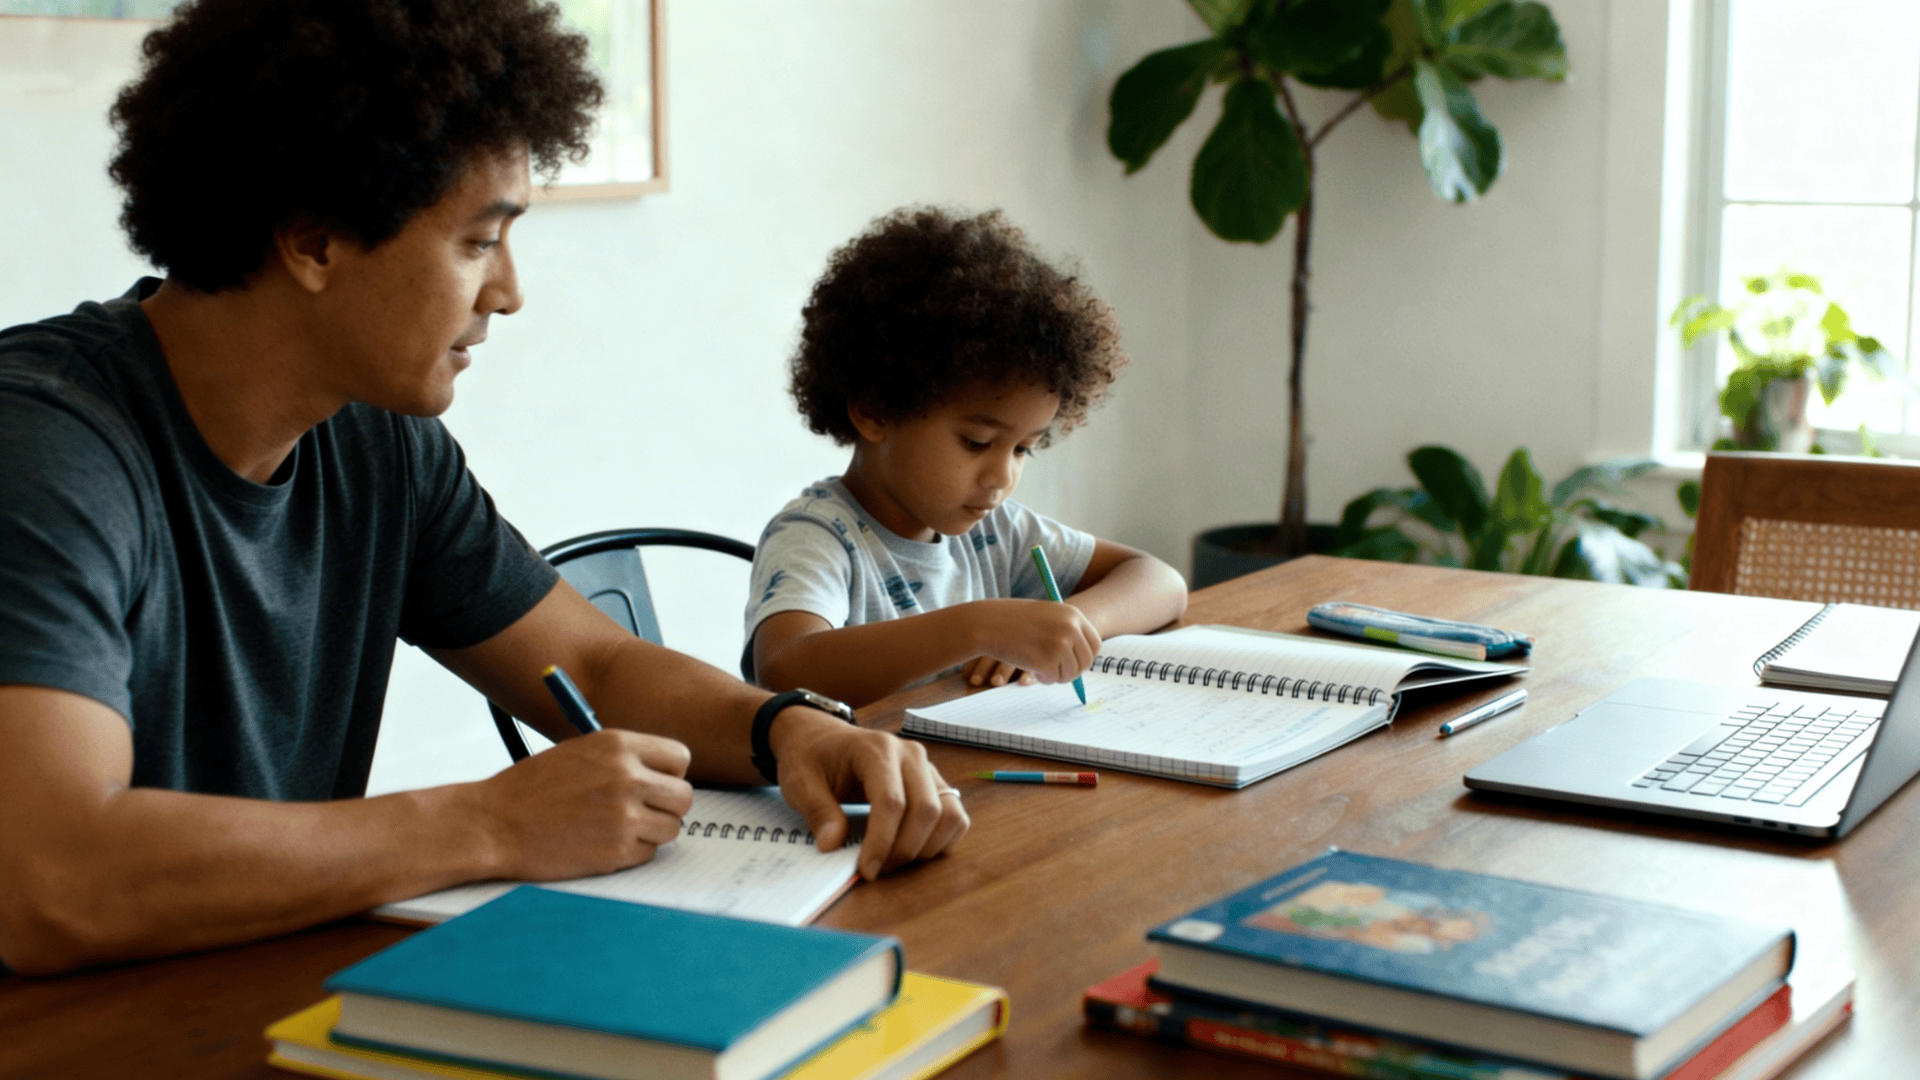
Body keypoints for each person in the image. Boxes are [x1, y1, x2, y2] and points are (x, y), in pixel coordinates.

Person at [0, 0, 965, 978]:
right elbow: (47, 878)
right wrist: (487, 824)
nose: (509, 291)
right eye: (477, 242)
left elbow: (592, 666)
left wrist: (788, 728)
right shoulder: (45, 450)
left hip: (252, 993)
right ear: (315, 241)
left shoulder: (378, 440)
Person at [744, 207, 1189, 707]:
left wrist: (1074, 623)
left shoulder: (995, 533)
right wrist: (977, 628)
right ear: (875, 412)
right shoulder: (819, 536)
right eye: (977, 442)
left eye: (1024, 448)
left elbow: (1161, 581)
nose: (1002, 476)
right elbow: (786, 669)